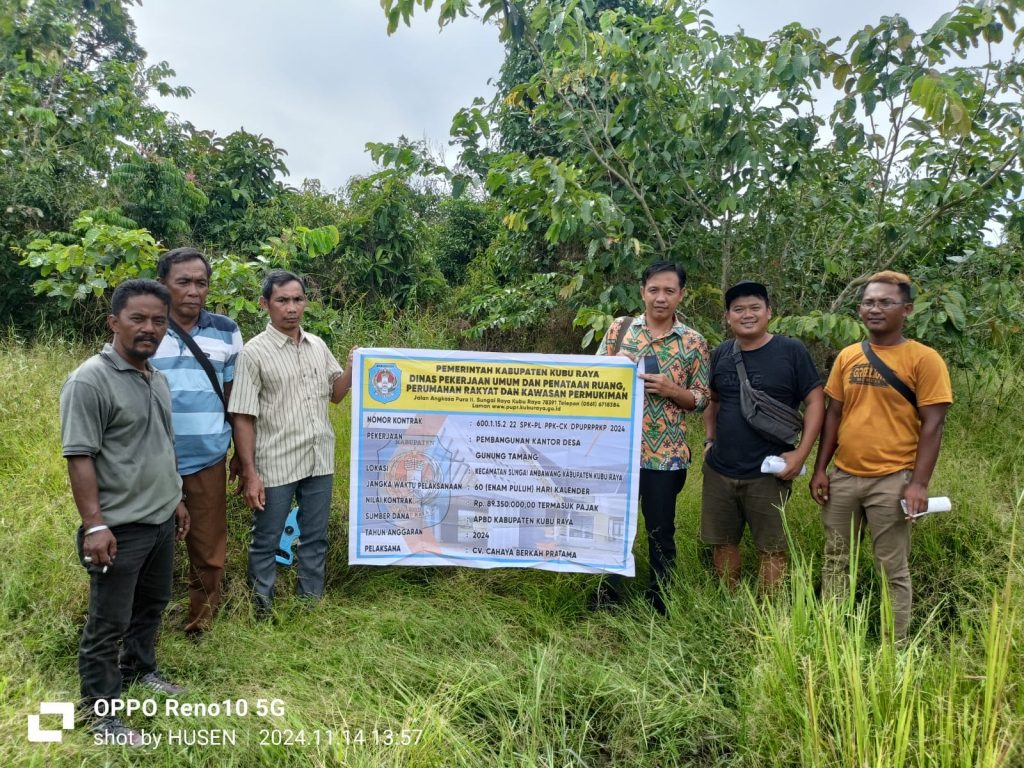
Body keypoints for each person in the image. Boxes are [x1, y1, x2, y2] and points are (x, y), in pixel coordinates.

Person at [60, 279, 191, 746]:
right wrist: (95, 524)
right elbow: (79, 457)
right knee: (107, 623)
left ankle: (140, 671)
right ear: (114, 321)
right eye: (138, 318)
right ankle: (101, 715)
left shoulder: (156, 377)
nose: (149, 329)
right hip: (118, 527)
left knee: (151, 606)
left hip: (158, 520)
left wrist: (175, 498)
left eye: (159, 321)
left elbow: (160, 445)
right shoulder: (89, 380)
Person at [810, 271, 952, 639]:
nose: (875, 309)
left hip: (892, 481)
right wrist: (820, 469)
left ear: (907, 309)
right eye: (869, 302)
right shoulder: (848, 356)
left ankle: (896, 646)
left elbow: (933, 425)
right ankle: (832, 635)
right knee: (836, 561)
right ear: (860, 309)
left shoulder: (925, 359)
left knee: (892, 567)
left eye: (885, 302)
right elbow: (834, 415)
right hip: (843, 477)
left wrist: (918, 484)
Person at [228, 270, 354, 612]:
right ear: (265, 304)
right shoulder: (254, 353)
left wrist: (353, 367)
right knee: (267, 539)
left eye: (298, 300)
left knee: (315, 538)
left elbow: (336, 395)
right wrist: (250, 472)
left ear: (306, 303)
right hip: (276, 462)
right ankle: (261, 608)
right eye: (282, 300)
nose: (291, 308)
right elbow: (242, 415)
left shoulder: (317, 345)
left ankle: (309, 604)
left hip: (319, 459)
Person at [594, 260, 711, 614]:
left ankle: (661, 600)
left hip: (666, 456)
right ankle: (606, 597)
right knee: (609, 528)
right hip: (616, 451)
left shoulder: (694, 342)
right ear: (643, 291)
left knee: (661, 531)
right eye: (654, 290)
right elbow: (593, 376)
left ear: (681, 295)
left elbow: (702, 398)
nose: (661, 298)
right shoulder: (620, 329)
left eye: (669, 291)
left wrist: (673, 390)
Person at [701, 281, 824, 590]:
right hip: (720, 469)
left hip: (769, 471)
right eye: (738, 309)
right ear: (728, 317)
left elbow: (815, 401)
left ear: (769, 312)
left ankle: (767, 611)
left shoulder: (790, 351)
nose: (747, 315)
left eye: (755, 307)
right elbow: (713, 399)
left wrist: (801, 454)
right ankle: (729, 603)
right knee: (722, 541)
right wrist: (709, 441)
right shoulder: (721, 354)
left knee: (772, 547)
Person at [152, 247, 243, 637]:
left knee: (208, 547)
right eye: (183, 282)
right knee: (146, 545)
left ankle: (198, 624)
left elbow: (237, 398)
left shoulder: (227, 330)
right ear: (163, 285)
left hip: (207, 457)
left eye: (201, 283)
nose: (193, 291)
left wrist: (242, 452)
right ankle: (143, 625)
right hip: (151, 461)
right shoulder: (148, 327)